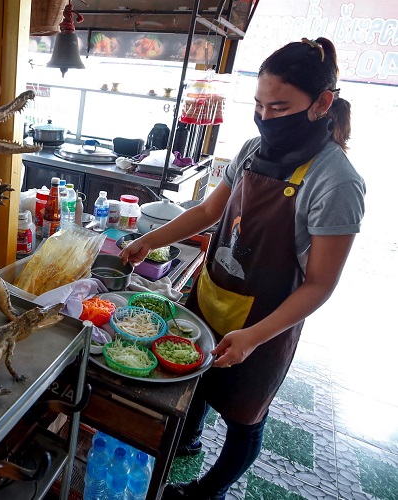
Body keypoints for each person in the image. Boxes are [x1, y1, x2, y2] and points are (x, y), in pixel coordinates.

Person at [121, 37, 365, 499]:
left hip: (264, 323)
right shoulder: (252, 150)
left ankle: (205, 491)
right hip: (211, 294)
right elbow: (209, 212)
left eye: (279, 106)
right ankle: (186, 439)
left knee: (244, 414)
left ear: (322, 103)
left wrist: (253, 339)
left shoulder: (336, 182)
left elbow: (320, 285)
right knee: (190, 379)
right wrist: (148, 239)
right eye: (258, 105)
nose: (266, 118)